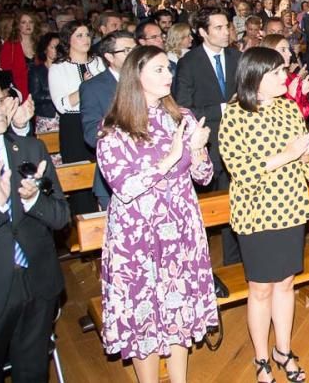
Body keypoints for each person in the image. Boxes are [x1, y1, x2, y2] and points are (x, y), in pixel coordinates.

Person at [96, 47, 218, 382]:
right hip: (137, 236)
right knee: (144, 317)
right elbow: (124, 187)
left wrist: (196, 150)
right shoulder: (114, 128)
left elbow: (204, 176)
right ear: (136, 77)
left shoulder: (181, 116)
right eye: (160, 69)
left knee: (179, 311)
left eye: (169, 69)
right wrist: (169, 158)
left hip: (181, 227)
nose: (169, 75)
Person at [219, 47, 309, 383]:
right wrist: (288, 154)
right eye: (279, 72)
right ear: (256, 76)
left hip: (291, 207)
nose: (286, 77)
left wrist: (307, 153)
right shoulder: (235, 114)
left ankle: (284, 350)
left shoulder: (289, 109)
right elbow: (241, 170)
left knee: (286, 284)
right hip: (256, 212)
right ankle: (261, 357)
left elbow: (305, 165)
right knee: (261, 289)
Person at [0, 70, 70, 383]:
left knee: (32, 372)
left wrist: (32, 202)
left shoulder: (29, 150)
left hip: (38, 281)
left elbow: (60, 217)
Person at [172, 6, 242, 265]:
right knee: (208, 207)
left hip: (237, 141)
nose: (227, 32)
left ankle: (234, 263)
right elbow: (183, 106)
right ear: (202, 32)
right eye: (219, 28)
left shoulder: (237, 57)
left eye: (228, 26)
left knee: (233, 203)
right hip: (207, 143)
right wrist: (223, 107)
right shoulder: (189, 63)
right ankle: (199, 263)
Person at [81, 30, 137, 209]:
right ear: (109, 57)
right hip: (116, 174)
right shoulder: (93, 88)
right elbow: (91, 135)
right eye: (127, 50)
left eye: (135, 49)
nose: (134, 55)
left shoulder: (148, 79)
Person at [48, 20, 105, 167]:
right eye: (79, 35)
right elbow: (61, 106)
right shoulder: (58, 68)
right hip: (74, 125)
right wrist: (85, 88)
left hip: (100, 120)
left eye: (87, 35)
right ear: (68, 40)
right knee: (78, 172)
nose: (86, 39)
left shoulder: (99, 62)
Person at [260, 33, 309, 120]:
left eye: (288, 49)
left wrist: (303, 94)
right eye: (283, 50)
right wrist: (291, 96)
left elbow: (304, 114)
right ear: (269, 51)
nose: (289, 54)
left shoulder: (291, 77)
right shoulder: (264, 80)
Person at [0, 10, 38, 100]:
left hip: (39, 90)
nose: (28, 25)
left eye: (31, 22)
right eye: (23, 22)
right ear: (18, 26)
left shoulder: (40, 43)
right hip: (19, 90)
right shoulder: (10, 45)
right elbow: (5, 71)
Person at [28, 32, 60, 132]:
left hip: (65, 116)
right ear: (45, 49)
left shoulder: (66, 68)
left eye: (59, 47)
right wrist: (57, 96)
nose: (56, 51)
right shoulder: (37, 71)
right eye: (53, 47)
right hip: (47, 117)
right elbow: (35, 95)